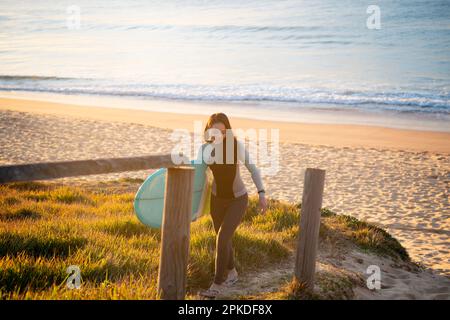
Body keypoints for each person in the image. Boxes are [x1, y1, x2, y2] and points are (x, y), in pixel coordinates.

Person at [196, 113, 267, 298]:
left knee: (222, 238)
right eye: (215, 131)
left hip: (238, 199)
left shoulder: (236, 146)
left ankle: (217, 284)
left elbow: (253, 169)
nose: (219, 135)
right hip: (216, 200)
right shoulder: (205, 149)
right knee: (223, 239)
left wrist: (261, 194)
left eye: (223, 131)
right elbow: (197, 176)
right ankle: (232, 273)